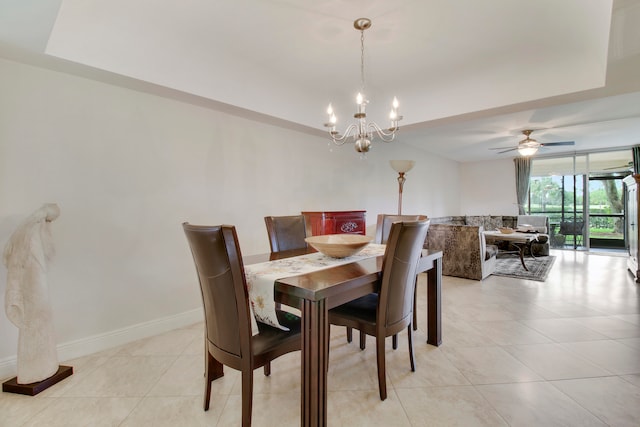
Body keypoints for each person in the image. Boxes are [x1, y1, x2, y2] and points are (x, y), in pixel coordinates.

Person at [3, 203, 61, 384]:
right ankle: (34, 369)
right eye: (49, 220)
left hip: (36, 290)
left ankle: (45, 364)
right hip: (33, 292)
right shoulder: (28, 235)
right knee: (34, 324)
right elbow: (17, 268)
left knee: (41, 324)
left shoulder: (30, 233)